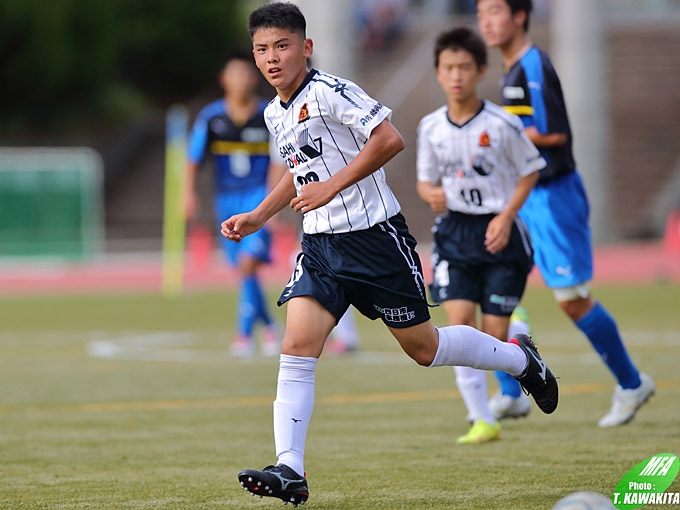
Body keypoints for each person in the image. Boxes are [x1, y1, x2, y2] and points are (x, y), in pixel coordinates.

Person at [224, 3, 557, 506]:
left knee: (425, 349)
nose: (271, 58)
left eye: (282, 46)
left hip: (375, 240)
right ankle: (290, 468)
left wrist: (333, 186)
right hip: (321, 246)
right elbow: (299, 169)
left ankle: (519, 359)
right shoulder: (274, 111)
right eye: (262, 50)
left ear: (306, 47)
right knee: (296, 346)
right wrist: (258, 216)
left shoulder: (332, 91)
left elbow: (388, 139)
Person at [476, 0, 655, 427]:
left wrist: (496, 134)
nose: (486, 21)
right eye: (481, 13)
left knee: (572, 300)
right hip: (525, 196)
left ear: (520, 15)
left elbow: (552, 132)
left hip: (553, 197)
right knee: (494, 288)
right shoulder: (511, 68)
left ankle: (632, 384)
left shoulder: (533, 64)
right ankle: (511, 393)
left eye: (495, 11)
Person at [416, 27, 544, 444]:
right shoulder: (430, 127)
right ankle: (482, 419)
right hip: (454, 233)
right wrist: (431, 194)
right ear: (438, 72)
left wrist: (506, 216)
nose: (457, 76)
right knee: (458, 328)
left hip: (498, 233)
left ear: (480, 71)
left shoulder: (502, 123)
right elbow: (424, 182)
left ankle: (516, 328)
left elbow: (530, 170)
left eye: (465, 67)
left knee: (491, 338)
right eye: (449, 67)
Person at [186, 52, 287, 358]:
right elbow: (193, 158)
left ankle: (243, 336)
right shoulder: (211, 118)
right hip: (226, 198)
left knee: (247, 264)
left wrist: (271, 205)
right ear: (224, 80)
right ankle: (270, 327)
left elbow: (279, 161)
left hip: (257, 197)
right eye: (235, 74)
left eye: (245, 74)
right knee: (244, 271)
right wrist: (187, 193)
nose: (241, 80)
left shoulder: (268, 114)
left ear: (254, 78)